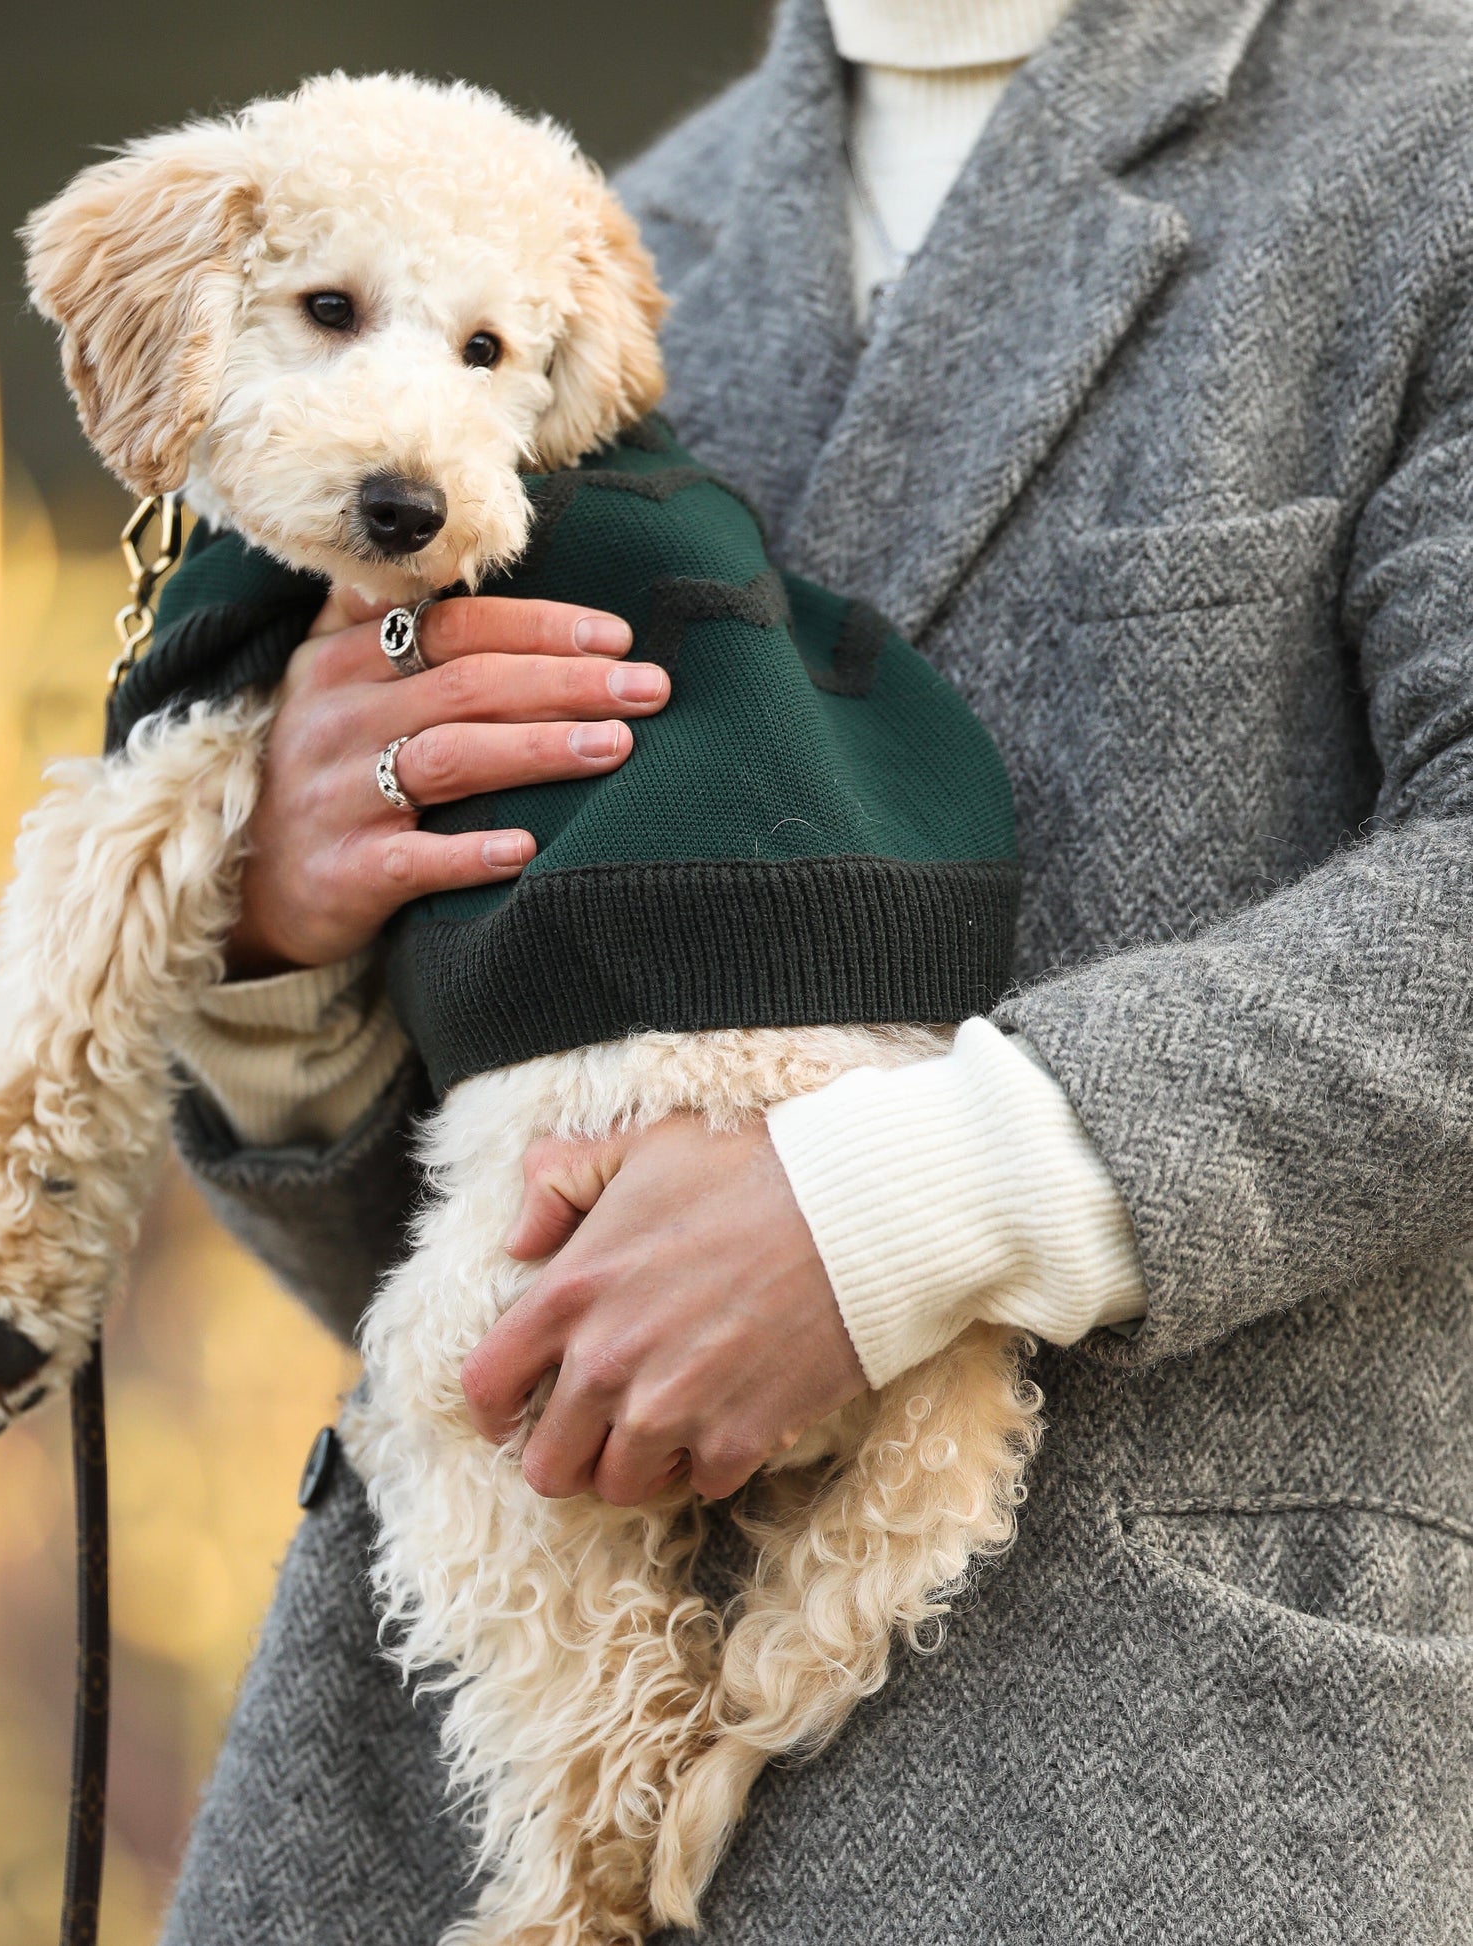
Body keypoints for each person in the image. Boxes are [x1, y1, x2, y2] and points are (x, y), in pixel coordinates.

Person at [158, 0, 1473, 1936]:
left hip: (1141, 1793)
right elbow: (447, 1250)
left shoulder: (1427, 152)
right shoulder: (564, 251)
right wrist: (286, 945)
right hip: (463, 1809)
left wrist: (896, 1210)